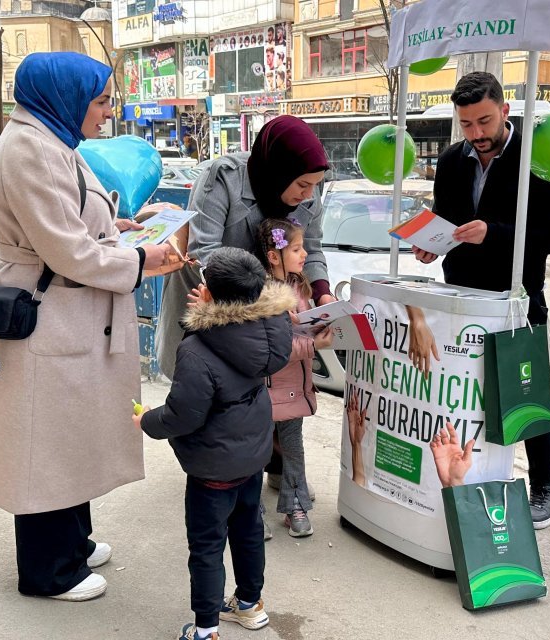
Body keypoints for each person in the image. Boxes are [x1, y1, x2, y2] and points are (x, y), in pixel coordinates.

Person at [0, 52, 183, 603]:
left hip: (67, 312)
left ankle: (73, 543)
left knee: (69, 436)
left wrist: (124, 226)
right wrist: (141, 260)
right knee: (44, 444)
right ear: (67, 98)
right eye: (102, 101)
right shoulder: (30, 149)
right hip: (48, 312)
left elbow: (74, 219)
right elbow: (67, 249)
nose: (109, 112)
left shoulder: (53, 140)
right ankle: (48, 571)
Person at [411, 71, 550, 529]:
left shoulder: (536, 157)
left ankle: (544, 484)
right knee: (465, 393)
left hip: (517, 299)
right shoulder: (451, 161)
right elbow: (446, 218)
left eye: (484, 121)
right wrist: (431, 244)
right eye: (466, 124)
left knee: (527, 395)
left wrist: (493, 234)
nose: (476, 133)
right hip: (460, 297)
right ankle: (468, 474)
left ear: (505, 110)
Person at [157, 115, 332, 497]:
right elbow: (204, 251)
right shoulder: (223, 178)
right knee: (226, 396)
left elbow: (313, 248)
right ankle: (221, 482)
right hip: (218, 303)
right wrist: (267, 298)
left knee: (281, 387)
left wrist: (323, 294)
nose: (308, 195)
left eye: (314, 186)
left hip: (272, 311)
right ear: (279, 170)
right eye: (302, 185)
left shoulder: (309, 191)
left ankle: (278, 471)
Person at [136, 247, 295, 640]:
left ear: (206, 292)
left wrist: (147, 421)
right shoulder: (271, 327)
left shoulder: (198, 348)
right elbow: (233, 333)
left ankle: (205, 628)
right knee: (248, 530)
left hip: (213, 468)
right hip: (252, 455)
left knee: (207, 546)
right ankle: (249, 605)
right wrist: (210, 311)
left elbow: (183, 415)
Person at [254, 218, 334, 539]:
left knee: (293, 450)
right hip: (263, 390)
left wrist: (323, 323)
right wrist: (314, 344)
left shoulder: (300, 285)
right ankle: (252, 512)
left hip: (294, 389)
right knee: (256, 452)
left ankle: (296, 506)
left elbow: (301, 328)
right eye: (297, 249)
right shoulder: (260, 293)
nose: (305, 255)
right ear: (274, 256)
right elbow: (270, 349)